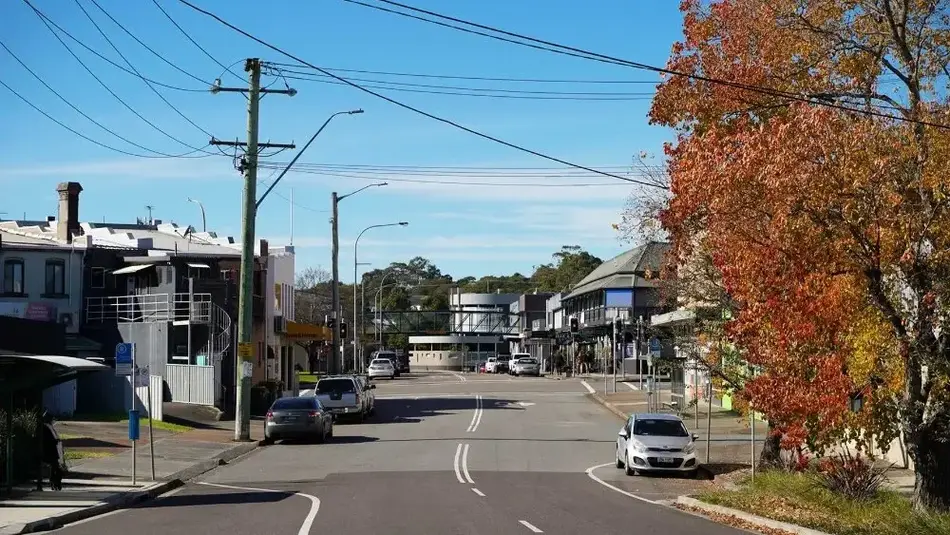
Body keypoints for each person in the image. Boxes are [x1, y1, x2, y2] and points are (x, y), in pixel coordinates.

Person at [40, 411, 65, 491]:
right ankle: (55, 482)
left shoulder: (49, 427)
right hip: (49, 452)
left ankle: (55, 482)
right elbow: (48, 440)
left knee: (55, 467)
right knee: (55, 467)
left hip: (52, 451)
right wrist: (56, 441)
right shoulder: (45, 428)